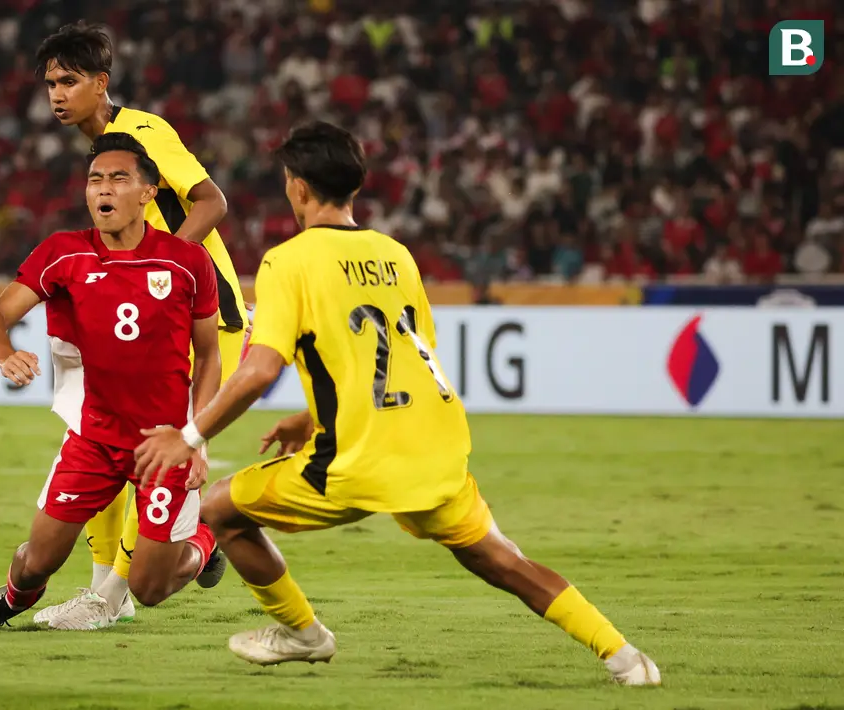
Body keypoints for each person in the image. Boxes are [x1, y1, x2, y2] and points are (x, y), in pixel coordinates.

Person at [134, 122, 661, 685]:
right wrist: (312, 418)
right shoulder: (396, 254)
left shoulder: (288, 261)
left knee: (220, 511)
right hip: (435, 445)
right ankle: (625, 657)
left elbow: (260, 369)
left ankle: (303, 633)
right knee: (502, 560)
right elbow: (404, 358)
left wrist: (189, 435)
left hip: (358, 458)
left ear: (299, 188)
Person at [0, 134, 223, 632]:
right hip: (94, 438)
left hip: (164, 444)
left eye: (119, 178)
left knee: (149, 588)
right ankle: (11, 600)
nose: (104, 188)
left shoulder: (186, 261)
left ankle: (206, 538)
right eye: (95, 179)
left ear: (147, 192)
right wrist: (6, 355)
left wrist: (197, 440)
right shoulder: (64, 253)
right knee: (37, 560)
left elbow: (208, 356)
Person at [30, 21, 246, 628]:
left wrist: (159, 273)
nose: (57, 95)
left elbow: (212, 201)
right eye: (51, 84)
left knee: (151, 453)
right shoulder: (103, 153)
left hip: (203, 321)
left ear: (101, 83)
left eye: (69, 81)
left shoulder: (144, 133)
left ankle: (110, 599)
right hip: (147, 326)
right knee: (95, 437)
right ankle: (110, 587)